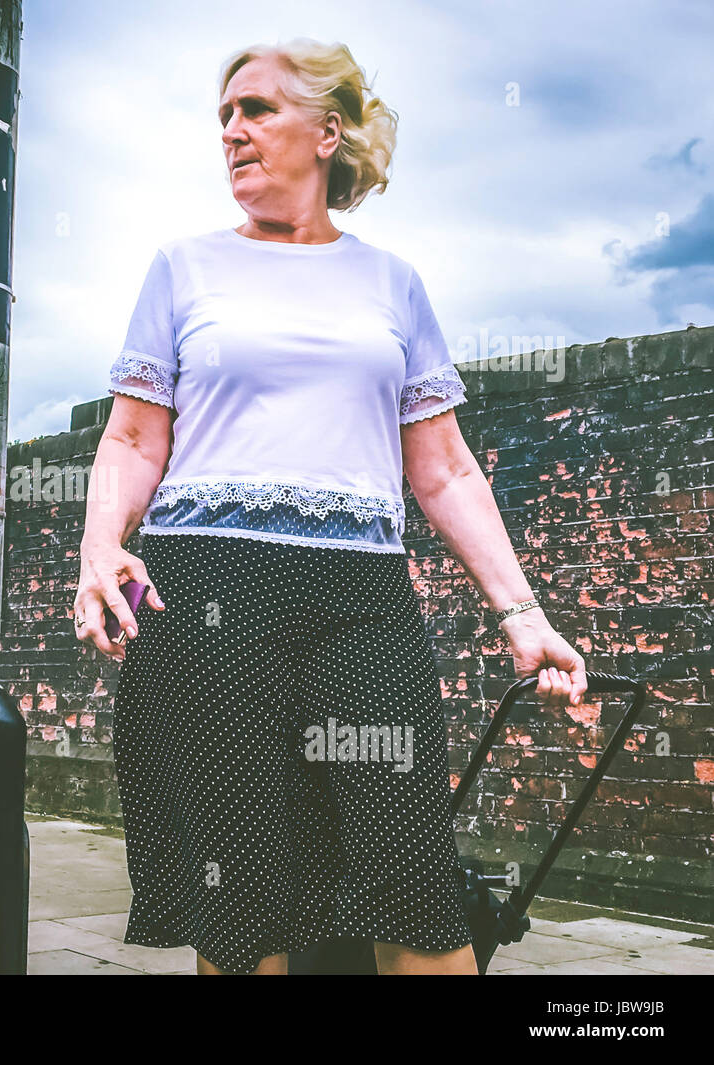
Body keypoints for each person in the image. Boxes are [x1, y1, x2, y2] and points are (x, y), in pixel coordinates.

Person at [73, 38, 587, 976]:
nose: (233, 131)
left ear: (328, 129)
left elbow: (443, 471)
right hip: (205, 596)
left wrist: (523, 612)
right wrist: (99, 545)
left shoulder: (393, 283)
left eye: (257, 109)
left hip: (362, 597)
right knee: (245, 899)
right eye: (223, 117)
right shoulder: (182, 268)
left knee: (412, 877)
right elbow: (134, 439)